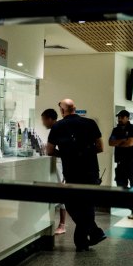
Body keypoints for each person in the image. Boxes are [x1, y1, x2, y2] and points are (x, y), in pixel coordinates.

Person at [47, 99, 106, 251]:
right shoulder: (90, 123)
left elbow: (49, 150)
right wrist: (84, 154)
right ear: (75, 109)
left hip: (72, 172)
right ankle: (88, 237)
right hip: (91, 171)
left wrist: (67, 155)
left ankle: (90, 236)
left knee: (72, 205)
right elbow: (100, 147)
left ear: (62, 111)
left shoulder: (58, 126)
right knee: (87, 205)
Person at [109, 109, 133, 219]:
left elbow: (130, 143)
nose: (119, 119)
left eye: (122, 117)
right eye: (118, 117)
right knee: (121, 187)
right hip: (120, 162)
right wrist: (122, 140)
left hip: (132, 161)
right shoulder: (115, 130)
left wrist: (119, 142)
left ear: (127, 118)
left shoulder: (132, 128)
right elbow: (110, 142)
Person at [41, 108, 66, 235]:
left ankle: (62, 224)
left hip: (61, 164)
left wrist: (62, 155)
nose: (43, 123)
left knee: (61, 194)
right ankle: (61, 224)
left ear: (50, 119)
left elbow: (51, 151)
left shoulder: (57, 128)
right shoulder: (60, 127)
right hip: (62, 163)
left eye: (44, 120)